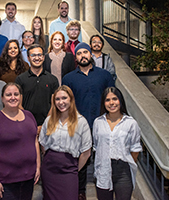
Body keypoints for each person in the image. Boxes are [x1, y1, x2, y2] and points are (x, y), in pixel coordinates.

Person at [62, 42, 115, 200]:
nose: (82, 55)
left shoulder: (104, 75)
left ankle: (104, 190)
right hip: (78, 126)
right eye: (79, 53)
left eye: (85, 52)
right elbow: (65, 103)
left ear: (91, 54)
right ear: (76, 57)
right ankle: (80, 192)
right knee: (80, 162)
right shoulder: (68, 78)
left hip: (102, 125)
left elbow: (112, 98)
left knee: (103, 159)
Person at [0, 82, 41, 200]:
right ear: (2, 98)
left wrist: (37, 167)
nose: (13, 97)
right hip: (3, 182)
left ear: (20, 97)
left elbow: (34, 141)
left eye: (16, 94)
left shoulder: (29, 116)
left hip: (27, 180)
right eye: (8, 95)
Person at [39, 85, 92, 200]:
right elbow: (43, 144)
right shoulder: (49, 120)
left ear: (71, 100)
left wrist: (73, 168)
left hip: (69, 170)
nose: (61, 102)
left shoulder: (81, 122)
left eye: (64, 98)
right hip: (49, 170)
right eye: (57, 99)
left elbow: (86, 152)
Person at [93, 86, 142, 200]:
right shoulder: (98, 122)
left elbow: (135, 149)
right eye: (107, 100)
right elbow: (96, 145)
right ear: (103, 103)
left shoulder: (130, 123)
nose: (111, 103)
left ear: (120, 100)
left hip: (123, 170)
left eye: (114, 99)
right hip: (103, 170)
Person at [15, 44, 59, 133]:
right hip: (25, 125)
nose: (37, 58)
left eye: (39, 55)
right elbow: (18, 104)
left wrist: (45, 124)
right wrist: (30, 123)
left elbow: (54, 104)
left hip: (48, 126)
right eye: (33, 55)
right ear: (28, 58)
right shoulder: (20, 79)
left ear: (43, 57)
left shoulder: (52, 79)